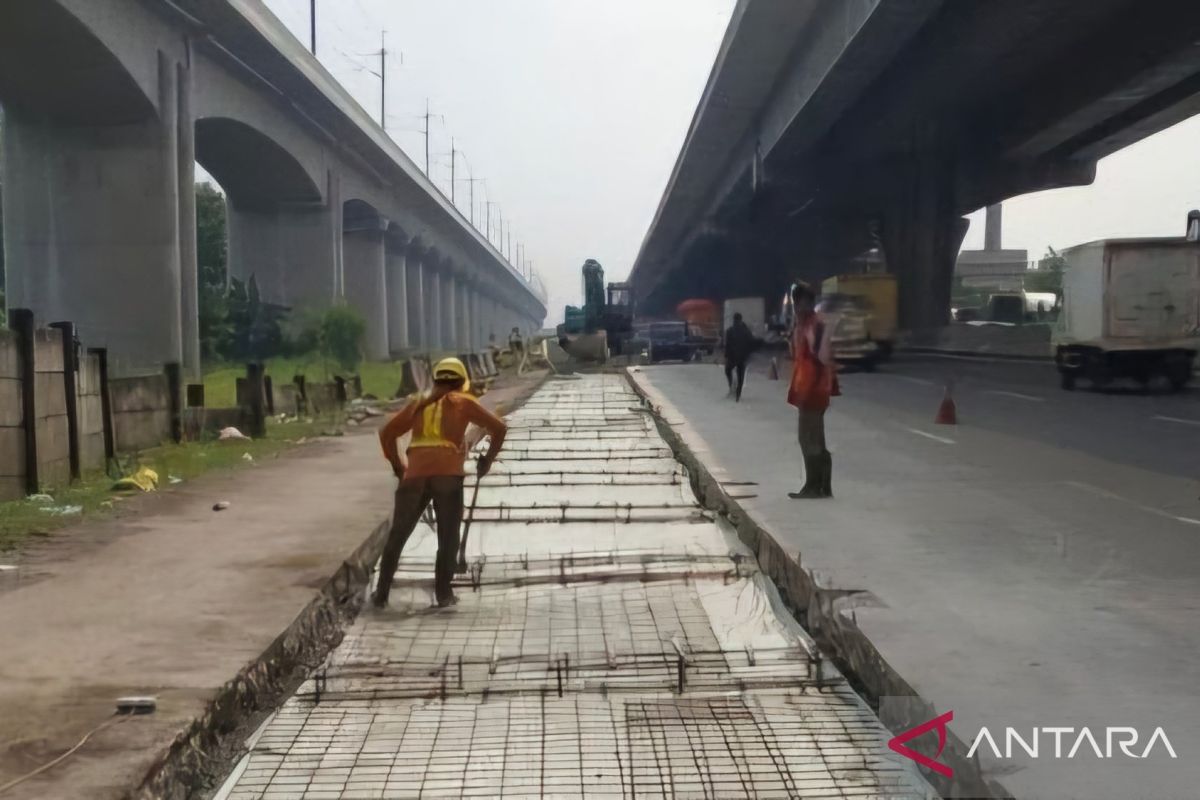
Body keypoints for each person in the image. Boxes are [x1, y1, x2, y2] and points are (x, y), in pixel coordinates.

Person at [375, 357, 507, 607]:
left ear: (436, 381)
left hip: (415, 475)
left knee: (398, 536)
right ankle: (444, 595)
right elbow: (499, 429)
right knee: (448, 537)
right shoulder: (463, 401)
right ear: (460, 382)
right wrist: (487, 461)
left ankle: (381, 595)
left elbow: (387, 434)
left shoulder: (418, 403)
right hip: (447, 475)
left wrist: (398, 466)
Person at [786, 281, 835, 499]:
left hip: (812, 388)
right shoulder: (806, 324)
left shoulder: (812, 325)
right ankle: (823, 486)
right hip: (809, 387)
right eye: (797, 303)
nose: (798, 308)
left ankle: (814, 486)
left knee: (808, 438)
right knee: (815, 437)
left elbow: (823, 356)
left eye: (800, 303)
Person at [723, 312, 755, 401]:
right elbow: (752, 343)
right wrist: (749, 355)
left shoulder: (730, 330)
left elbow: (727, 345)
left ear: (734, 319)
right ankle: (738, 394)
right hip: (742, 357)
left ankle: (731, 387)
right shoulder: (746, 331)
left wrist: (726, 356)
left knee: (728, 370)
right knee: (741, 375)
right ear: (741, 320)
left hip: (732, 356)